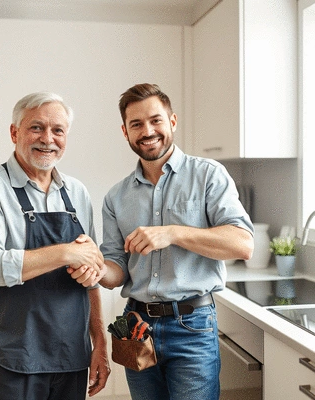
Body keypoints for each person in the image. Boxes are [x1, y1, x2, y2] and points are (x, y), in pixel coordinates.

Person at [75, 83, 254, 400]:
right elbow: (118, 271)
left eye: (155, 120)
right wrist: (95, 268)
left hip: (193, 326)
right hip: (135, 327)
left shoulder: (208, 175)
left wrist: (172, 232)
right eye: (136, 124)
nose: (147, 131)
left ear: (172, 121)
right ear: (125, 132)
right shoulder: (117, 197)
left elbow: (242, 244)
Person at [0, 91, 110, 400]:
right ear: (14, 132)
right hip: (11, 360)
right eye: (36, 128)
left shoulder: (77, 192)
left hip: (71, 359)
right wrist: (65, 251)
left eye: (58, 130)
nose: (48, 138)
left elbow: (92, 280)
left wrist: (100, 345)